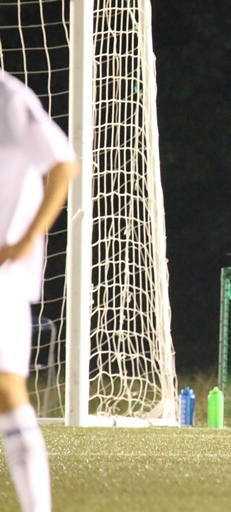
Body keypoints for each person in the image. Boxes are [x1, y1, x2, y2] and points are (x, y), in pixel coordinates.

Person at [0, 69, 78, 512]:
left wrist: (28, 238)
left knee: (7, 387)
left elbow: (63, 164)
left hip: (4, 273)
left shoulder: (8, 97)